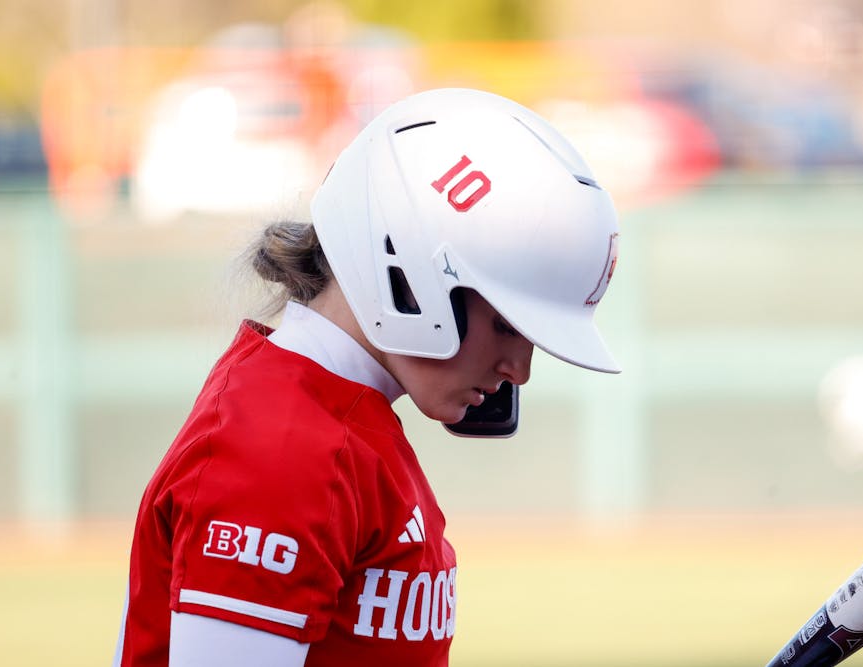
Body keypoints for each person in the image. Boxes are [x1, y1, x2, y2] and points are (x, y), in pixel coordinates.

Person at [113, 87, 621, 667]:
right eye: (506, 325)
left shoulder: (337, 421)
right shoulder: (280, 448)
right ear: (407, 271)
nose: (519, 371)